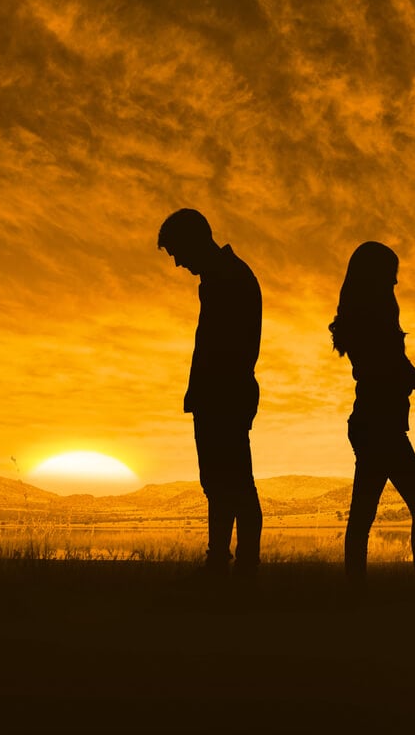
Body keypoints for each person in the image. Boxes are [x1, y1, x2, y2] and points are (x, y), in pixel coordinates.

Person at [158, 208, 262, 578]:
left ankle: (242, 565)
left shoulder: (229, 278)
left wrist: (213, 391)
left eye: (176, 252)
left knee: (233, 483)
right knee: (220, 484)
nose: (177, 263)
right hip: (218, 395)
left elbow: (231, 346)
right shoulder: (223, 276)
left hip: (225, 395)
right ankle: (221, 560)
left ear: (194, 241)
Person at [329, 241, 415, 593]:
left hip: (370, 423)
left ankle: (356, 590)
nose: (395, 284)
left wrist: (407, 374)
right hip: (382, 425)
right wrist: (411, 376)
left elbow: (383, 368)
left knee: (363, 514)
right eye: (391, 276)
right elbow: (388, 369)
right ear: (377, 277)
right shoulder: (375, 321)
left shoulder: (362, 320)